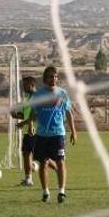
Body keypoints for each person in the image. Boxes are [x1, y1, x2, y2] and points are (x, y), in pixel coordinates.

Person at [28, 66, 76, 203]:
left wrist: (73, 131)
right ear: (45, 79)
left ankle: (61, 191)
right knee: (43, 163)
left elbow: (68, 113)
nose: (53, 79)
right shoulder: (38, 95)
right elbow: (33, 112)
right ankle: (45, 191)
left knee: (60, 161)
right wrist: (31, 125)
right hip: (42, 135)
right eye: (50, 76)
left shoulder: (62, 94)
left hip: (58, 133)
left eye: (55, 76)